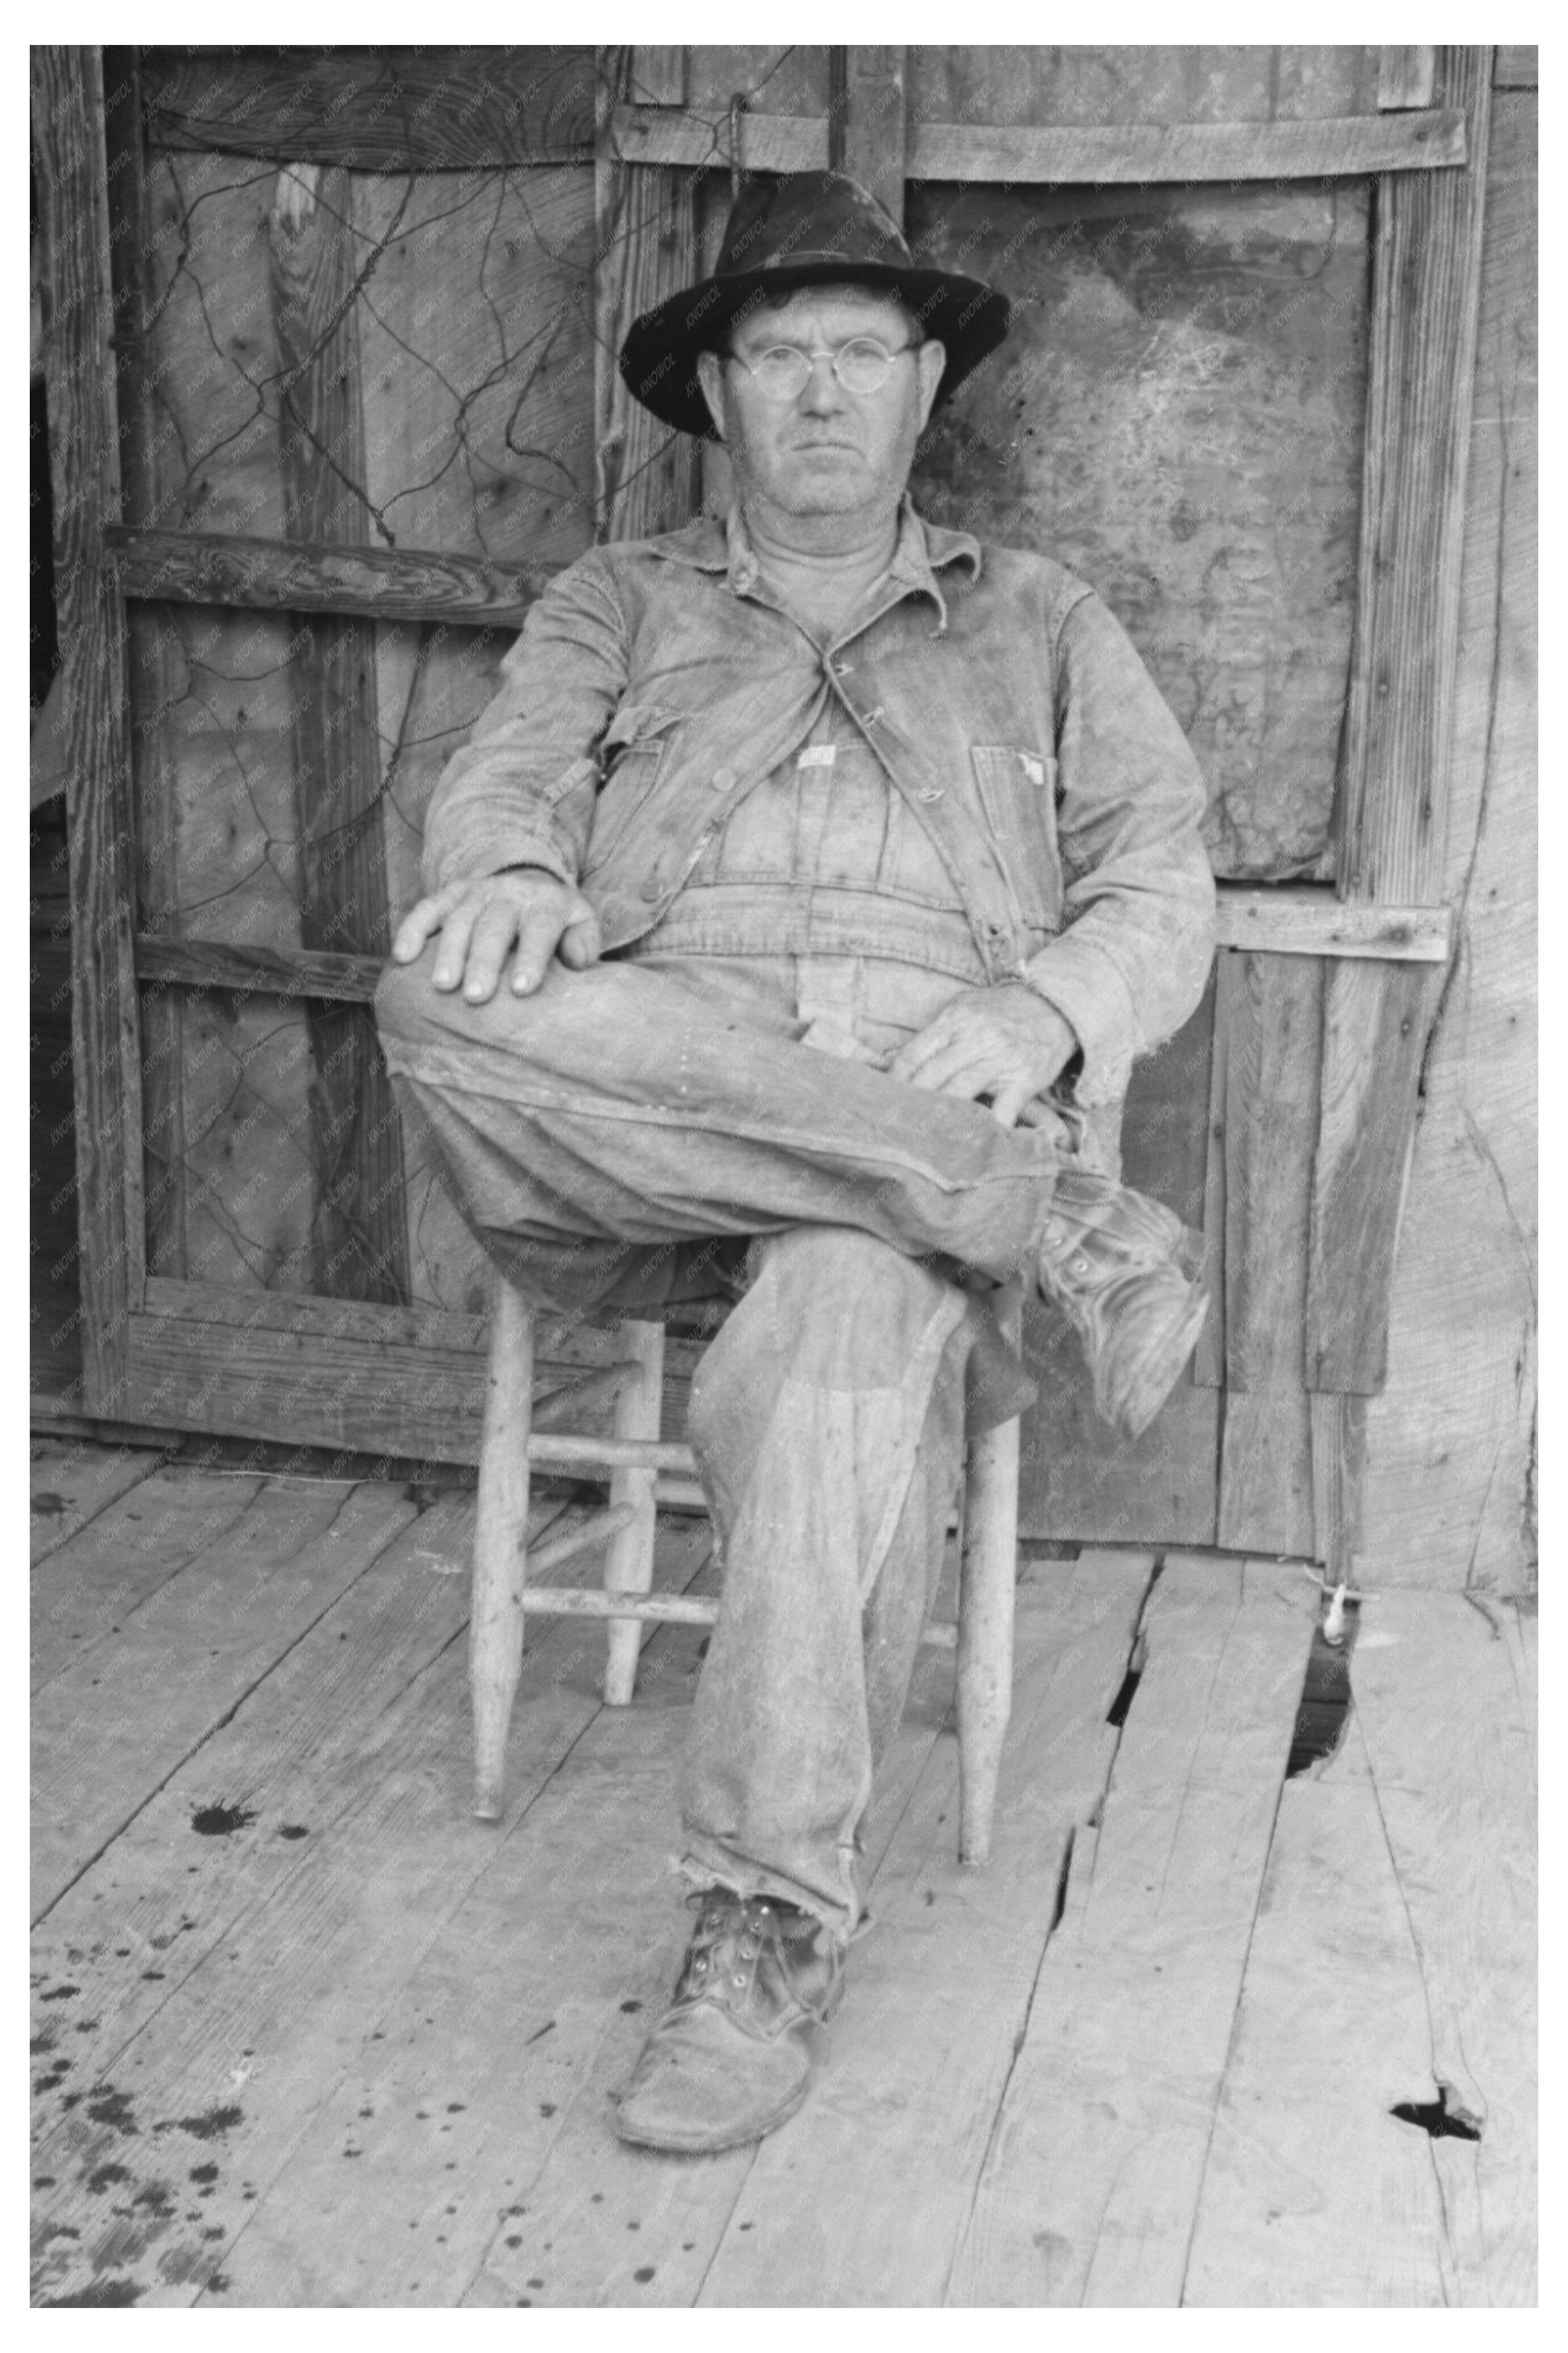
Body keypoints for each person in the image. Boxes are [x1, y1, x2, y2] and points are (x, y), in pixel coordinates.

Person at [374, 171, 1216, 2156]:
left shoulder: (1044, 620)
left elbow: (1164, 881)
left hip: (920, 1121)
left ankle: (761, 1929)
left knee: (845, 1316)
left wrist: (1042, 1013)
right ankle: (1040, 1215)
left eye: (861, 352)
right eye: (780, 357)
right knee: (433, 997)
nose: (823, 392)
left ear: (927, 384)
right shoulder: (616, 602)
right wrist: (510, 870)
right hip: (646, 1142)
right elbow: (505, 776)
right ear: (716, 393)